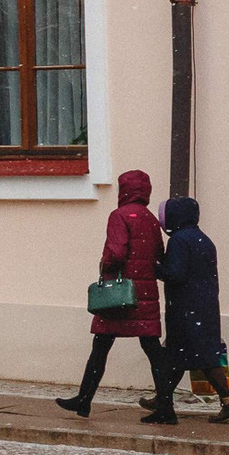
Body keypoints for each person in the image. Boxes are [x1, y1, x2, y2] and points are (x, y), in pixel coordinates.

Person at [57, 168, 167, 420]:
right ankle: (166, 406)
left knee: (101, 347)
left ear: (124, 189)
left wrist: (105, 267)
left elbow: (115, 254)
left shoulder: (119, 216)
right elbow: (158, 256)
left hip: (119, 295)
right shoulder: (151, 219)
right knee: (152, 349)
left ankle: (84, 400)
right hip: (144, 293)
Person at [146, 197, 229, 425]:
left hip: (186, 307)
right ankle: (163, 398)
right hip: (204, 306)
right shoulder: (203, 239)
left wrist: (154, 267)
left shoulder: (179, 240)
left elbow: (175, 273)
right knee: (184, 355)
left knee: (196, 356)